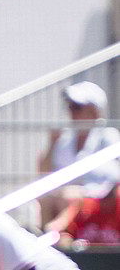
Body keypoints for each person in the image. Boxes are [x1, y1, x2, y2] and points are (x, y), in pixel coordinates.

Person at [38, 81, 120, 228]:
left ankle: (59, 239)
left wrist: (82, 188)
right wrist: (51, 144)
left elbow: (111, 176)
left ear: (95, 111)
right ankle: (49, 241)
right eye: (70, 107)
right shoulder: (64, 140)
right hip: (70, 194)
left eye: (77, 108)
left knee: (68, 197)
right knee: (45, 197)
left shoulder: (109, 136)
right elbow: (44, 173)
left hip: (97, 195)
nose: (72, 113)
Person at [57, 179, 120, 248]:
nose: (103, 202)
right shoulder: (83, 206)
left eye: (108, 196)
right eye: (98, 197)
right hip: (84, 257)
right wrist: (69, 244)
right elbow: (65, 234)